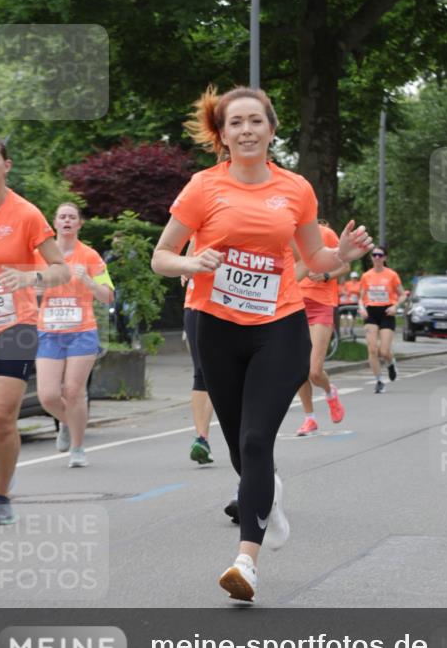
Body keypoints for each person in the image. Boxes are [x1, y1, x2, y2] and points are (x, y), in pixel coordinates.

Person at [151, 86, 372, 602]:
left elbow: (315, 259)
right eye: (235, 123)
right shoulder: (203, 188)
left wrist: (344, 254)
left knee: (255, 441)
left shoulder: (296, 189)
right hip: (215, 326)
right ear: (222, 135)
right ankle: (267, 497)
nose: (246, 130)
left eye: (255, 121)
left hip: (279, 324)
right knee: (239, 446)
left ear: (272, 130)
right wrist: (193, 263)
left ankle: (245, 563)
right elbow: (162, 256)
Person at [0, 137, 70, 524]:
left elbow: (61, 269)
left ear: (7, 165)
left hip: (16, 324)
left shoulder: (25, 213)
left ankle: (2, 495)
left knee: (3, 413)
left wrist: (28, 276)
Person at [34, 202, 114, 468]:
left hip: (82, 332)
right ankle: (69, 422)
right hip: (49, 332)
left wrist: (88, 281)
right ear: (54, 223)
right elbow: (25, 290)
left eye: (72, 217)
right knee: (47, 395)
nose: (67, 221)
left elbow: (108, 296)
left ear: (79, 224)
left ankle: (77, 448)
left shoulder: (90, 256)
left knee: (73, 390)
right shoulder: (40, 255)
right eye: (62, 217)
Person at [294, 221, 348, 435]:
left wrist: (325, 275)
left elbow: (345, 266)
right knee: (298, 369)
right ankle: (310, 418)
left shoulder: (325, 233)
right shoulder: (287, 235)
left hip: (321, 304)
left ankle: (329, 391)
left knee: (314, 371)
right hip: (294, 304)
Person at [181, 246, 215, 465]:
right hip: (195, 306)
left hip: (226, 306)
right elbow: (183, 261)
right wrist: (185, 266)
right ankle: (201, 438)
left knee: (218, 373)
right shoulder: (197, 230)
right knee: (201, 372)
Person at [358, 246, 402, 393]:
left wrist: (396, 306)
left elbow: (402, 294)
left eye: (380, 255)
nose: (377, 257)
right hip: (371, 312)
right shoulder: (366, 276)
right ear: (371, 258)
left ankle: (391, 363)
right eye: (374, 255)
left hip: (386, 312)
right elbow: (361, 297)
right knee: (372, 349)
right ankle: (379, 381)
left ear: (385, 258)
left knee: (384, 351)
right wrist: (362, 308)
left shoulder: (392, 275)